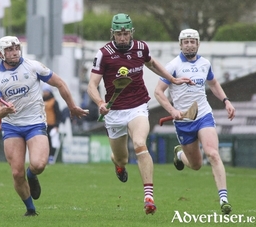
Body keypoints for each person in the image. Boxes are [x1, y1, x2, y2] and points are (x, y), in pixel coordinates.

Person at [87, 13, 192, 215]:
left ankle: (149, 197)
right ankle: (117, 164)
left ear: (131, 32)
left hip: (137, 107)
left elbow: (151, 64)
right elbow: (92, 85)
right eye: (119, 34)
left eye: (126, 33)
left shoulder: (141, 48)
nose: (123, 37)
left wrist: (172, 78)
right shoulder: (103, 54)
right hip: (114, 111)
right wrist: (100, 102)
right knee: (122, 158)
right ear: (113, 34)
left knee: (139, 144)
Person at [0, 36, 88, 216]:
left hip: (35, 123)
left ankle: (32, 175)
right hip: (11, 126)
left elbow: (60, 83)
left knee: (39, 164)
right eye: (9, 49)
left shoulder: (33, 66)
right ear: (0, 54)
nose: (15, 52)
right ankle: (30, 210)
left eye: (16, 48)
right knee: (16, 173)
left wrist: (72, 106)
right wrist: (4, 111)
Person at [154, 28, 236, 215]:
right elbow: (158, 92)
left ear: (198, 44)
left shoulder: (205, 64)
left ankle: (223, 199)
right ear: (180, 44)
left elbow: (213, 83)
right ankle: (180, 154)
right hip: (183, 121)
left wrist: (226, 101)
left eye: (193, 41)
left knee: (213, 154)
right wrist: (172, 110)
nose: (189, 44)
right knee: (197, 165)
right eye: (186, 41)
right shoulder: (173, 66)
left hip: (203, 115)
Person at [42, 88, 62, 164]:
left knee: (52, 141)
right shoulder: (41, 101)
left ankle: (51, 156)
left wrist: (57, 125)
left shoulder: (54, 102)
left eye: (46, 91)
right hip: (43, 124)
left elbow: (58, 114)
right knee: (44, 142)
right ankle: (45, 156)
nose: (44, 93)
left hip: (52, 125)